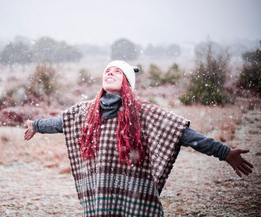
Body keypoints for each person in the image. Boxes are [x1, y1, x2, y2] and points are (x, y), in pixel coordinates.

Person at [24, 60, 253, 217]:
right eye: (107, 71)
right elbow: (60, 123)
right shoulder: (86, 112)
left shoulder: (143, 113)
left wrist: (223, 152)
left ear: (127, 82)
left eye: (117, 71)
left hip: (134, 196)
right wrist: (35, 125)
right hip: (101, 201)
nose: (110, 73)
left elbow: (182, 133)